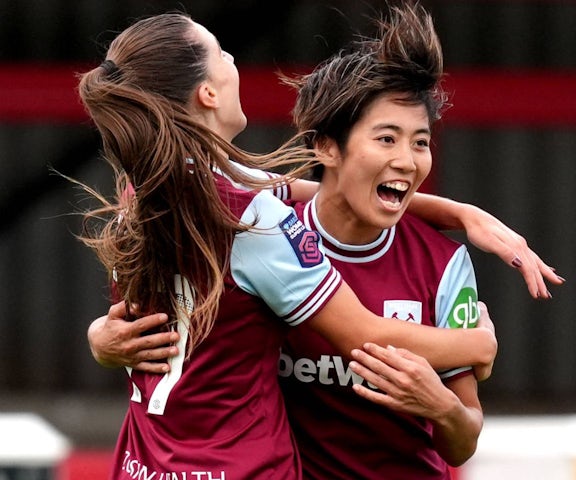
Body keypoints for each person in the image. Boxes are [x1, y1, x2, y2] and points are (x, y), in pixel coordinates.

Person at [76, 11, 501, 480]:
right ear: (208, 93)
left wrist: (458, 212)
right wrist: (478, 345)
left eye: (420, 142)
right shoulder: (257, 222)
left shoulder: (138, 194)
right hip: (242, 469)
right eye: (221, 52)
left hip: (143, 465)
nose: (233, 58)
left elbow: (301, 189)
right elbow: (362, 334)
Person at [276, 4, 482, 477]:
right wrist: (103, 338)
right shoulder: (269, 238)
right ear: (326, 146)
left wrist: (440, 407)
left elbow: (464, 439)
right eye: (387, 139)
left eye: (420, 142)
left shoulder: (444, 264)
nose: (409, 161)